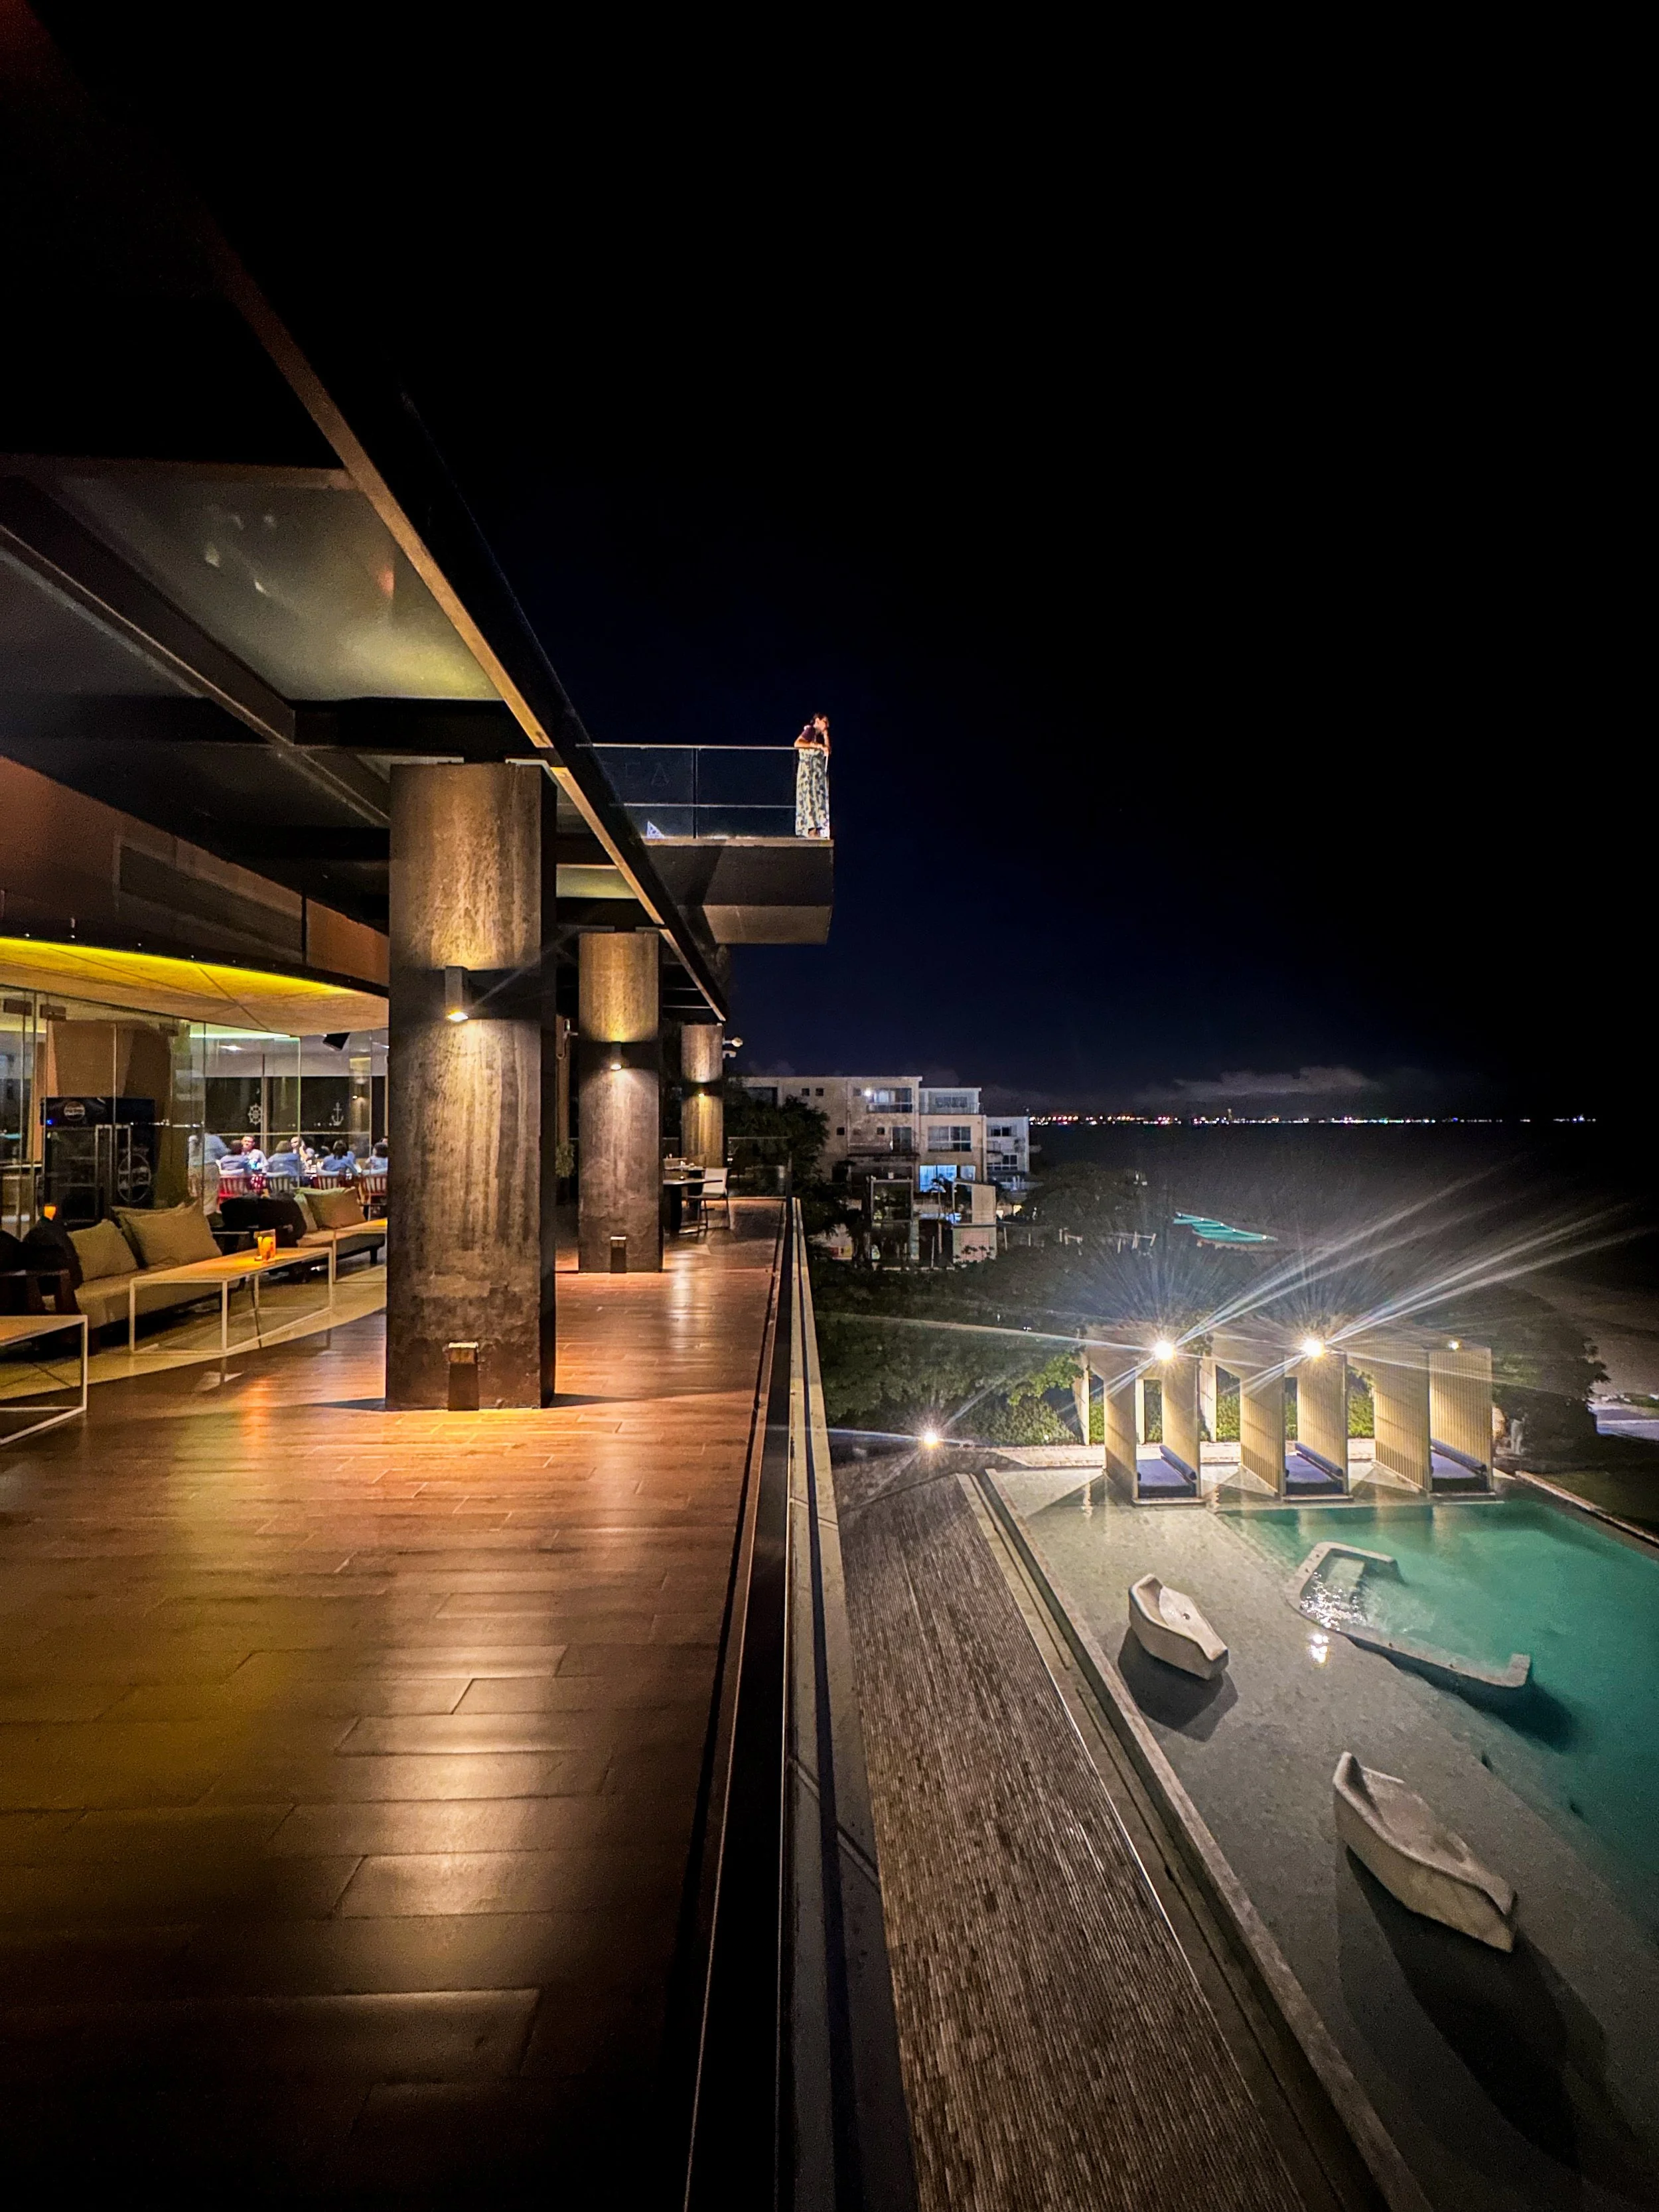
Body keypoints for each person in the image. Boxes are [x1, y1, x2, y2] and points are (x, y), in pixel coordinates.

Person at [793, 713, 831, 839]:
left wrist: (825, 736)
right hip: (809, 775)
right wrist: (815, 746)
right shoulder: (810, 731)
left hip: (816, 776)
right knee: (810, 800)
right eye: (825, 722)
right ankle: (811, 829)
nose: (827, 725)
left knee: (816, 800)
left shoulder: (817, 736)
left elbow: (828, 751)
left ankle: (816, 829)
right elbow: (798, 743)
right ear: (818, 721)